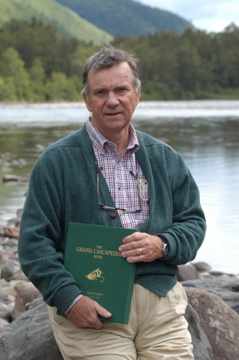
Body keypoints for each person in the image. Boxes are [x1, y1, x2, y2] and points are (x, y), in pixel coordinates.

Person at [18, 46, 206, 360]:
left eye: (121, 89)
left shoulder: (165, 158)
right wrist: (70, 299)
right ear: (87, 100)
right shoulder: (55, 162)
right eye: (101, 92)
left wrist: (163, 244)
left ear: (137, 93)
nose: (112, 100)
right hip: (92, 310)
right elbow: (33, 244)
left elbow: (193, 223)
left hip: (161, 303)